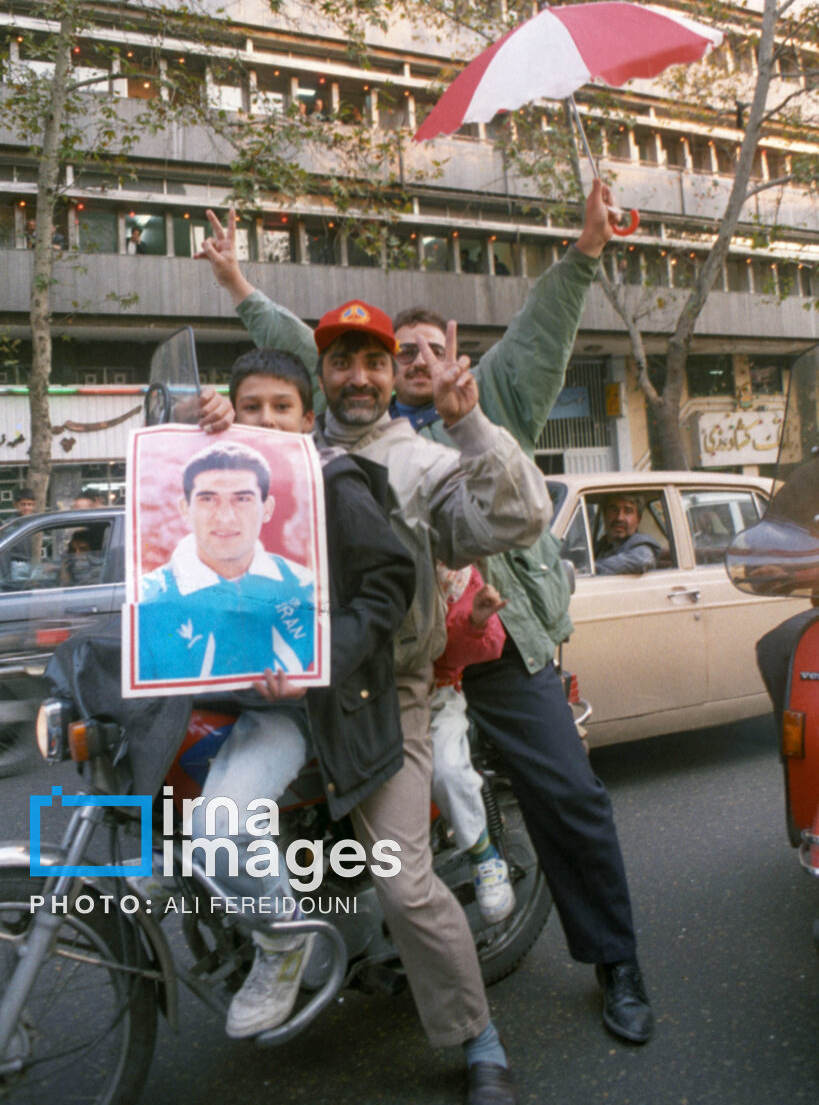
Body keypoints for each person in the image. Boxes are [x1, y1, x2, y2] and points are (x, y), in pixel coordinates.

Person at [196, 179, 655, 1048]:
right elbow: (292, 360)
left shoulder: (487, 402)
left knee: (565, 795)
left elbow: (542, 326)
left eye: (423, 350)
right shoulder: (325, 440)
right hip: (391, 664)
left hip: (497, 643)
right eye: (387, 351)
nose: (405, 362)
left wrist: (585, 250)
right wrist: (238, 294)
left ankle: (615, 961)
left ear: (453, 357)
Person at [197, 229, 552, 1102]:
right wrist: (195, 428)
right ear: (319, 382)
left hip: (383, 694)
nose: (357, 375)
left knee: (403, 879)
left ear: (395, 378)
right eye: (341, 362)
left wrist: (471, 424)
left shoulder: (427, 465)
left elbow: (516, 518)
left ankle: (477, 1038)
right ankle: (278, 939)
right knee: (203, 824)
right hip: (273, 697)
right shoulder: (265, 449)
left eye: (374, 361)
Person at [182, 346, 417, 1041]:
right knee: (190, 836)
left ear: (307, 418)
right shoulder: (212, 475)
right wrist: (193, 421)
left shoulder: (332, 479)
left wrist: (317, 658)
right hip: (234, 701)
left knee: (219, 831)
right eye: (247, 405)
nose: (263, 419)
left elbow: (387, 586)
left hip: (308, 706)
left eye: (280, 407)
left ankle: (283, 941)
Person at [138, 441, 315, 681]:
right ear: (185, 509)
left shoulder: (307, 588)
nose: (225, 516)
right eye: (208, 499)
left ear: (267, 508)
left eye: (242, 499)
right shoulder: (146, 599)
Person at [432, 564, 512, 923]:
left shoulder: (463, 575)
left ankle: (484, 856)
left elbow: (486, 644)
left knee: (447, 769)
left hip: (436, 695)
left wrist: (475, 621)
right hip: (371, 699)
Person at [594, 493, 661, 575]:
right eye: (614, 510)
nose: (619, 518)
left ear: (639, 519)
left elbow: (642, 560)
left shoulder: (642, 545)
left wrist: (588, 570)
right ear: (605, 515)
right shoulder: (601, 545)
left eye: (628, 511)